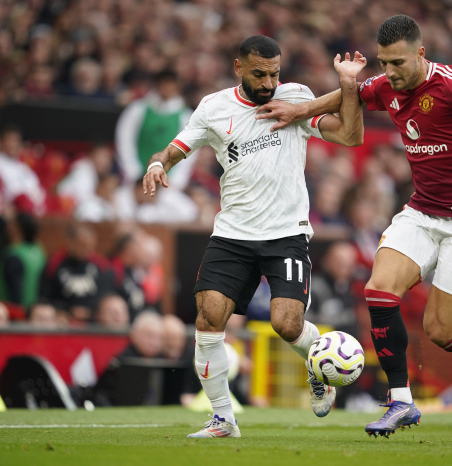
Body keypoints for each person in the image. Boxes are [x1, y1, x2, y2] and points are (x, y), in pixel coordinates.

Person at [256, 15, 452, 436]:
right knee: (379, 290)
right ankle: (400, 401)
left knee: (440, 330)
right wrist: (299, 110)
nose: (389, 73)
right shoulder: (388, 85)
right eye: (383, 63)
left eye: (398, 62)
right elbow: (354, 96)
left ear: (420, 53)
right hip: (422, 212)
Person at [143, 35, 365, 438]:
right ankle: (223, 418)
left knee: (286, 323)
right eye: (259, 74)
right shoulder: (214, 108)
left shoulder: (295, 97)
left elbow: (350, 136)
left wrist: (348, 85)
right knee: (208, 318)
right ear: (238, 68)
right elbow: (176, 149)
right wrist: (158, 164)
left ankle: (319, 366)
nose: (268, 83)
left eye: (274, 73)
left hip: (286, 233)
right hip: (233, 234)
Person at [0, 212, 47, 308]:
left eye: (11, 223)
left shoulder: (14, 255)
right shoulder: (39, 250)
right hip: (35, 311)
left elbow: (16, 291)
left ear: (16, 228)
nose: (7, 226)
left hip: (13, 312)